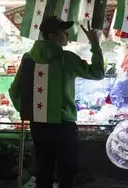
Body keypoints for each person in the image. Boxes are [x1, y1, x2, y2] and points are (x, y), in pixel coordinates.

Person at [9, 16, 105, 188]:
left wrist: (28, 111)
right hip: (63, 127)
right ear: (52, 35)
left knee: (43, 173)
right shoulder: (67, 59)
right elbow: (97, 73)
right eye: (63, 31)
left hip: (38, 125)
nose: (67, 35)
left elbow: (14, 91)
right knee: (66, 175)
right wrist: (94, 43)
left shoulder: (28, 59)